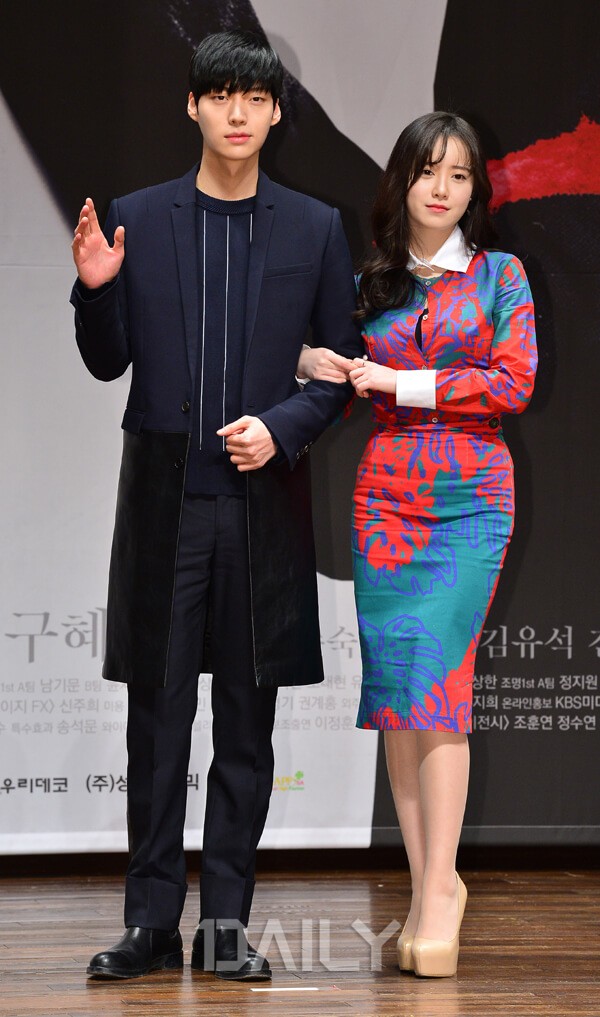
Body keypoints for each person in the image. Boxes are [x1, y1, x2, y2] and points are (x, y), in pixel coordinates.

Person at [70, 30, 361, 982]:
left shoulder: (315, 227)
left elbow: (339, 370)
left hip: (261, 508)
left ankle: (226, 922)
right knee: (156, 723)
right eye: (221, 94)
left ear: (276, 113)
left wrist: (282, 426)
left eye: (255, 98)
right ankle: (150, 921)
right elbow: (108, 360)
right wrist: (95, 291)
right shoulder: (139, 218)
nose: (238, 112)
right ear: (192, 105)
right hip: (165, 506)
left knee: (246, 723)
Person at [299, 111, 537, 977]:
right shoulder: (371, 279)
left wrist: (402, 380)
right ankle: (426, 881)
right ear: (400, 181)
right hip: (386, 501)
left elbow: (512, 382)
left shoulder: (501, 275)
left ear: (476, 190)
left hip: (470, 496)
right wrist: (312, 364)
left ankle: (441, 889)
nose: (442, 189)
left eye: (459, 175)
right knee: (401, 692)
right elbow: (331, 371)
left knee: (437, 687)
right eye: (427, 171)